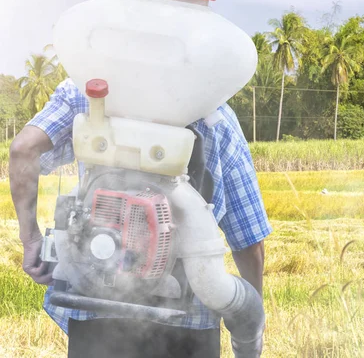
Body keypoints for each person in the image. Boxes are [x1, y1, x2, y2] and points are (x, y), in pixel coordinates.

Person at [9, 78, 272, 358]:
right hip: (189, 320)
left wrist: (32, 239)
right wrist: (249, 319)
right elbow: (248, 239)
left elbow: (23, 150)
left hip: (96, 308)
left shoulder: (84, 90)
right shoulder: (212, 109)